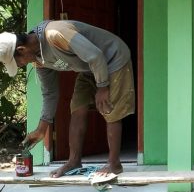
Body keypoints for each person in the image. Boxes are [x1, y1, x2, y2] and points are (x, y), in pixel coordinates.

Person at [0, 20, 134, 178]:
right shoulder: (38, 59)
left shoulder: (56, 34)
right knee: (77, 108)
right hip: (90, 67)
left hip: (112, 59)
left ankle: (114, 164)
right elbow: (50, 92)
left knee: (108, 107)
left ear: (22, 49)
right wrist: (41, 130)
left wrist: (102, 87)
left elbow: (95, 55)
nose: (21, 65)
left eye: (18, 62)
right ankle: (74, 161)